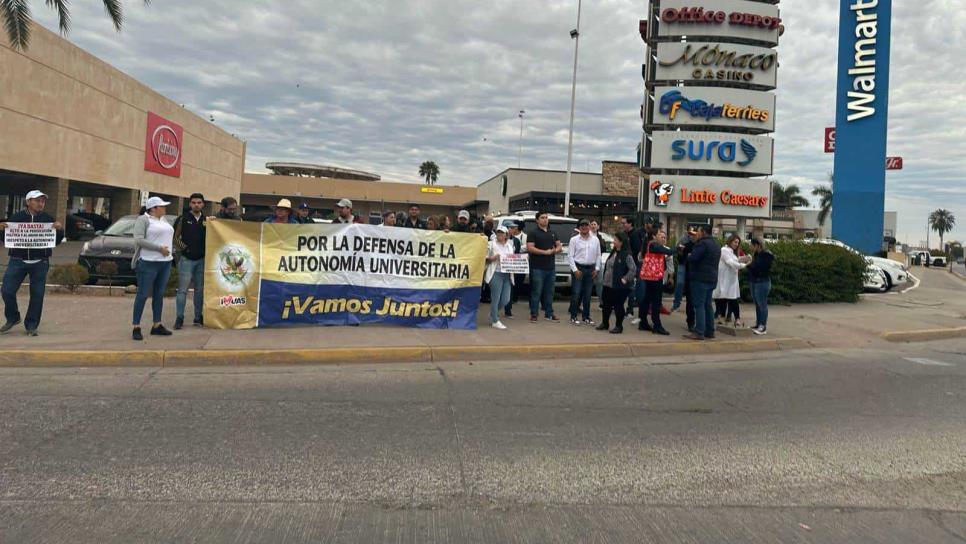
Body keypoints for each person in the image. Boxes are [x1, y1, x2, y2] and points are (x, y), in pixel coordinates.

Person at [0, 190, 65, 336]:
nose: (40, 203)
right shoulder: (16, 218)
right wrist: (2, 230)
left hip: (40, 262)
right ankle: (13, 317)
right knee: (6, 291)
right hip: (17, 261)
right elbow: (7, 239)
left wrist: (60, 230)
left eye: (42, 201)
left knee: (37, 295)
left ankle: (31, 325)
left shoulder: (48, 219)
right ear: (28, 202)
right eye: (37, 200)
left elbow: (56, 240)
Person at [131, 196, 175, 341]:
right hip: (148, 262)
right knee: (143, 294)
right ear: (154, 208)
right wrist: (158, 249)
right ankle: (136, 326)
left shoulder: (163, 220)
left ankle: (157, 324)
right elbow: (139, 239)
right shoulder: (143, 220)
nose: (165, 208)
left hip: (165, 262)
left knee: (159, 294)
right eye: (162, 206)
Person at [172, 193, 208, 330]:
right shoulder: (182, 219)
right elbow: (175, 238)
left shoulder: (207, 220)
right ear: (190, 204)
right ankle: (179, 318)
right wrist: (185, 250)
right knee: (182, 290)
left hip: (202, 260)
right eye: (193, 202)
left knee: (199, 291)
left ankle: (198, 317)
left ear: (203, 204)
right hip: (186, 260)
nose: (196, 205)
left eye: (199, 202)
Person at [595, 231, 637, 334]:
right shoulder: (613, 252)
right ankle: (605, 323)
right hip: (608, 284)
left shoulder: (626, 255)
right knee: (606, 305)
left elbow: (633, 269)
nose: (613, 241)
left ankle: (619, 326)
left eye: (615, 240)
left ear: (621, 242)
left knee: (618, 306)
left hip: (620, 286)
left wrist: (625, 279)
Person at [685, 224, 721, 341]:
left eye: (699, 231)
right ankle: (710, 331)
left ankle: (699, 331)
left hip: (700, 278)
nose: (697, 233)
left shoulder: (702, 243)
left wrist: (688, 255)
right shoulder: (716, 244)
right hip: (712, 278)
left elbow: (694, 258)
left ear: (704, 232)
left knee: (699, 305)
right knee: (708, 305)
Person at [526, 211, 562, 322]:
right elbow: (530, 248)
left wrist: (554, 251)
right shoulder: (533, 233)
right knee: (536, 291)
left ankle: (549, 313)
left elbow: (559, 246)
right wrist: (544, 252)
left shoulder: (553, 232)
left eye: (546, 217)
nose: (545, 219)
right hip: (537, 267)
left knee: (550, 292)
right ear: (537, 220)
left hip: (550, 268)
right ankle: (534, 314)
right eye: (542, 217)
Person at [637, 229, 674, 335]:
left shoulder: (652, 245)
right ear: (654, 236)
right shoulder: (654, 245)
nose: (662, 238)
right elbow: (668, 251)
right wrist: (677, 248)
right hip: (654, 277)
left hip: (651, 276)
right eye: (660, 236)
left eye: (664, 237)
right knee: (656, 302)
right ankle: (657, 325)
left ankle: (643, 322)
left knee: (647, 299)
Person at [567, 219, 601, 326]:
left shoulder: (595, 240)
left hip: (590, 269)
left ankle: (586, 317)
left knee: (587, 295)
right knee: (576, 293)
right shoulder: (574, 240)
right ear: (579, 227)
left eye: (586, 225)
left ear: (589, 227)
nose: (584, 227)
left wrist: (597, 268)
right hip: (578, 267)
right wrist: (575, 270)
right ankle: (573, 316)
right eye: (582, 225)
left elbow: (598, 255)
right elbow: (570, 256)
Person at [713, 234, 751, 328]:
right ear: (730, 241)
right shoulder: (724, 250)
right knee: (724, 298)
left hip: (731, 279)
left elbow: (735, 260)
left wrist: (744, 258)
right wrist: (745, 265)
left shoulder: (731, 251)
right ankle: (724, 317)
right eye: (735, 242)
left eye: (738, 243)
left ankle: (735, 318)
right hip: (725, 279)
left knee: (732, 299)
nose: (736, 244)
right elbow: (731, 263)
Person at [485, 226, 515, 330]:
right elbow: (484, 259)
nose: (500, 235)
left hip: (507, 274)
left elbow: (513, 259)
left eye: (502, 233)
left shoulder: (509, 246)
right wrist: (492, 258)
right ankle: (495, 320)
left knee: (506, 299)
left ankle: (493, 313)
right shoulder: (491, 244)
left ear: (506, 235)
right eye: (498, 233)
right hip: (495, 273)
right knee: (496, 298)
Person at [747, 238, 775, 335]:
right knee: (757, 304)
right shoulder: (756, 254)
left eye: (752, 245)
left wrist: (750, 264)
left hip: (762, 282)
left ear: (757, 245)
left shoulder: (766, 255)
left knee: (762, 304)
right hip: (754, 281)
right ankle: (758, 324)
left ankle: (763, 326)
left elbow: (761, 268)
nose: (750, 247)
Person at [673, 229, 697, 332]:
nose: (692, 236)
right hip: (688, 273)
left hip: (697, 275)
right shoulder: (686, 243)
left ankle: (698, 322)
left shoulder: (701, 245)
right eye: (690, 234)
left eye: (694, 234)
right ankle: (690, 322)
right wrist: (682, 253)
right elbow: (680, 257)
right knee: (689, 299)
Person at [621, 216, 644, 317]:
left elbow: (637, 251)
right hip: (625, 264)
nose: (623, 225)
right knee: (624, 286)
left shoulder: (634, 235)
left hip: (633, 265)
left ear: (630, 224)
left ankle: (630, 309)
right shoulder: (625, 234)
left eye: (624, 223)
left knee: (631, 288)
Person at [504, 221, 526, 318]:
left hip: (511, 268)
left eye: (514, 228)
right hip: (500, 268)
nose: (513, 230)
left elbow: (517, 254)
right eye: (510, 228)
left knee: (510, 289)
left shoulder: (516, 241)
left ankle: (508, 310)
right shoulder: (499, 239)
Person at [590, 220, 605, 307]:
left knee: (600, 283)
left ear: (598, 227)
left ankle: (602, 302)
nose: (593, 226)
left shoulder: (600, 237)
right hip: (589, 263)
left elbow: (603, 249)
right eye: (591, 224)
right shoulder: (587, 235)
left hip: (598, 262)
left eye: (595, 224)